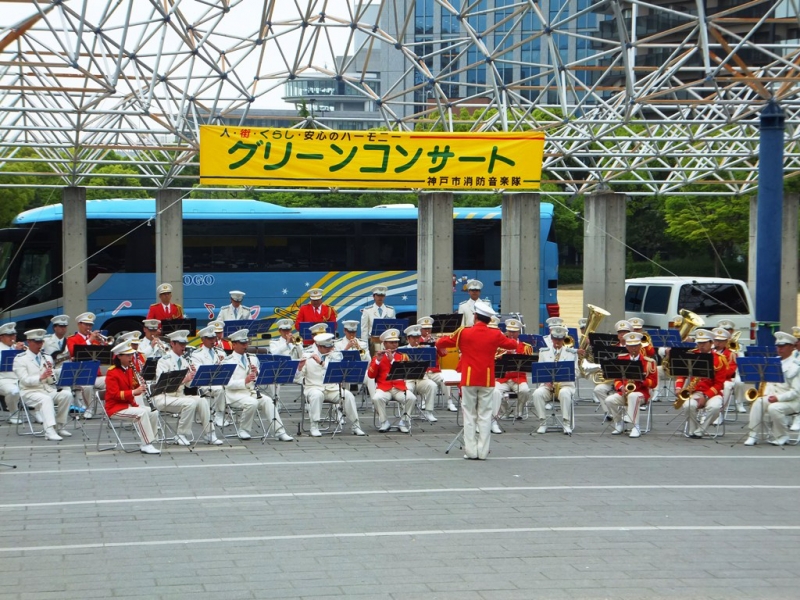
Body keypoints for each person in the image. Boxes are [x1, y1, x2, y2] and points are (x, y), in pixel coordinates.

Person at [436, 301, 517, 460]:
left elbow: (441, 342)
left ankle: (471, 451)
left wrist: (441, 349)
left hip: (468, 378)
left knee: (469, 416)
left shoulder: (463, 332)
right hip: (487, 379)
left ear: (475, 316)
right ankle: (482, 451)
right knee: (485, 416)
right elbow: (512, 344)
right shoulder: (495, 334)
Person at [223, 329, 293, 441]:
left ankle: (280, 432)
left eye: (246, 343)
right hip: (234, 394)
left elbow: (259, 378)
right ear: (234, 344)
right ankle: (244, 430)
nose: (245, 346)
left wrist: (257, 373)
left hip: (250, 392)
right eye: (242, 343)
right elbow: (227, 384)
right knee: (252, 402)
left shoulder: (252, 358)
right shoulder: (227, 361)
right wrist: (244, 381)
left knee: (268, 401)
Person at [155, 329, 221, 446]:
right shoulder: (163, 361)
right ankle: (181, 434)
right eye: (180, 344)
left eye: (184, 344)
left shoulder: (185, 360)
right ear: (173, 344)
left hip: (179, 396)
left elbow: (189, 385)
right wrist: (185, 379)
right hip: (164, 397)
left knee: (202, 401)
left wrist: (194, 377)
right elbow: (164, 385)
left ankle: (209, 433)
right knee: (189, 403)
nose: (183, 347)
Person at [295, 333, 365, 437]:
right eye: (327, 347)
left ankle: (356, 425)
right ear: (319, 346)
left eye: (331, 346)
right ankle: (314, 426)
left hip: (332, 389)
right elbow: (297, 378)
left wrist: (322, 363)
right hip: (314, 388)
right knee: (316, 395)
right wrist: (299, 368)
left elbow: (338, 370)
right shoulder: (307, 355)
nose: (331, 349)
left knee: (348, 395)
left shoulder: (335, 355)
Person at [13, 329, 75, 441]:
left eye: (41, 342)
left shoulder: (46, 357)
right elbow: (24, 380)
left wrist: (55, 372)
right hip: (29, 392)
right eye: (36, 342)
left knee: (67, 395)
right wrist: (41, 377)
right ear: (29, 342)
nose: (39, 345)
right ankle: (49, 431)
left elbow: (51, 380)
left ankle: (60, 426)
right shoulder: (20, 359)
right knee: (45, 399)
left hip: (47, 389)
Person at [104, 339, 160, 454]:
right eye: (128, 355)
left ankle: (151, 439)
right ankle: (146, 444)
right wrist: (134, 392)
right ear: (119, 356)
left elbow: (134, 387)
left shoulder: (129, 369)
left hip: (128, 405)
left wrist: (141, 387)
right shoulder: (112, 373)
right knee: (141, 413)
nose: (131, 358)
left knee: (153, 412)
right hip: (115, 408)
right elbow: (115, 395)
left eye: (131, 355)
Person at [744, 332, 800, 447]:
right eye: (778, 346)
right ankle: (753, 435)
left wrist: (778, 398)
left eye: (783, 346)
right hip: (773, 397)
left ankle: (782, 435)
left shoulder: (795, 366)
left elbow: (796, 391)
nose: (779, 349)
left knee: (774, 408)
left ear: (791, 347)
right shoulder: (772, 362)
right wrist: (765, 395)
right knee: (758, 403)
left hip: (792, 401)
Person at [674, 329, 727, 439]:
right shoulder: (691, 355)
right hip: (695, 391)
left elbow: (719, 384)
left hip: (712, 392)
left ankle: (702, 429)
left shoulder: (719, 359)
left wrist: (706, 396)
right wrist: (678, 387)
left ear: (711, 343)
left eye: (704, 343)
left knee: (715, 407)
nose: (701, 346)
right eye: (699, 343)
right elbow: (681, 374)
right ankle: (692, 430)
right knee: (688, 405)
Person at [605, 331, 658, 438]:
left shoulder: (649, 362)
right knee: (609, 400)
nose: (634, 349)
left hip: (642, 393)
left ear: (640, 346)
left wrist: (643, 381)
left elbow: (654, 383)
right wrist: (621, 387)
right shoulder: (621, 359)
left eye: (636, 346)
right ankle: (619, 423)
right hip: (625, 392)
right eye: (631, 346)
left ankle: (635, 426)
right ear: (627, 347)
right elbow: (617, 379)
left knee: (634, 396)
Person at [531, 325, 578, 434]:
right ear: (551, 339)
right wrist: (546, 381)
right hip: (548, 386)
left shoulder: (572, 353)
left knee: (565, 393)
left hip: (565, 385)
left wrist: (566, 376)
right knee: (537, 393)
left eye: (560, 339)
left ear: (563, 339)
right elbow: (540, 370)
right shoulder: (543, 352)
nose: (557, 341)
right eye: (555, 339)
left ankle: (566, 423)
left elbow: (577, 372)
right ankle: (542, 422)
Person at [368, 328, 416, 433]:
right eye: (391, 342)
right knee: (377, 398)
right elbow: (371, 375)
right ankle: (384, 422)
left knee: (411, 398)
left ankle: (403, 422)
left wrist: (392, 361)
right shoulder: (377, 357)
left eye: (396, 342)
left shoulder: (402, 356)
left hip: (399, 388)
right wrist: (377, 361)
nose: (395, 344)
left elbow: (406, 373)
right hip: (384, 388)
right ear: (384, 344)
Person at [492, 318, 534, 433]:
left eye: (514, 331)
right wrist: (504, 353)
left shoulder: (525, 346)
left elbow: (528, 361)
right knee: (495, 391)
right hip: (503, 378)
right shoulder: (499, 346)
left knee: (525, 391)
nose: (511, 334)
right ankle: (503, 411)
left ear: (519, 332)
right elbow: (494, 360)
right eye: (509, 331)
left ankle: (519, 411)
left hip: (518, 378)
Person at [66, 312, 108, 418]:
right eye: (86, 324)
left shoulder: (95, 339)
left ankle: (110, 407)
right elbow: (72, 352)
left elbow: (107, 355)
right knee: (87, 386)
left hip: (96, 375)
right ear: (79, 324)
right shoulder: (72, 339)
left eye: (90, 325)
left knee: (112, 381)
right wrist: (90, 340)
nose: (88, 327)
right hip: (80, 375)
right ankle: (89, 408)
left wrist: (103, 344)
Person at [190, 326, 229, 427]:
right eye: (210, 339)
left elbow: (228, 368)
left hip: (219, 381)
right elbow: (200, 373)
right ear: (203, 339)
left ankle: (221, 412)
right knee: (220, 389)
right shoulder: (196, 354)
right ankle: (219, 414)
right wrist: (217, 367)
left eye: (214, 338)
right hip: (204, 384)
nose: (213, 341)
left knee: (228, 386)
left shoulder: (220, 352)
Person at [592, 320, 631, 417]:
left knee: (628, 391)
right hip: (613, 379)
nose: (622, 334)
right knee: (598, 389)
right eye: (620, 332)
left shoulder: (634, 348)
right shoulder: (611, 348)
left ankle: (626, 413)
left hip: (628, 380)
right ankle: (610, 412)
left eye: (625, 332)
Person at [399, 325, 438, 423]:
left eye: (418, 337)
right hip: (407, 378)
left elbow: (432, 362)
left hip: (421, 378)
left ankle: (429, 412)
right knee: (407, 390)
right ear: (408, 338)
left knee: (432, 385)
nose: (416, 340)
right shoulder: (401, 350)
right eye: (414, 338)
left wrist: (426, 351)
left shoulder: (424, 349)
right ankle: (406, 414)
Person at [418, 316, 456, 412]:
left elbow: (444, 354)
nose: (427, 330)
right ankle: (423, 401)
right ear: (420, 329)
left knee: (446, 379)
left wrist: (438, 344)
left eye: (429, 328)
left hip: (434, 370)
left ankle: (449, 402)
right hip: (422, 370)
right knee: (424, 381)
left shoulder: (435, 340)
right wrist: (424, 343)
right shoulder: (417, 341)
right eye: (425, 328)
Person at [360, 286, 395, 352]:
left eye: (382, 295)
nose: (380, 297)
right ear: (374, 296)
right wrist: (364, 347)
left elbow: (393, 328)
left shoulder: (390, 310)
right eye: (378, 295)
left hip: (387, 342)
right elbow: (364, 330)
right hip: (374, 342)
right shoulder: (367, 310)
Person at [0, 322, 23, 419]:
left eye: (14, 335)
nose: (12, 337)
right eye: (9, 335)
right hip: (3, 379)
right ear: (1, 337)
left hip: (19, 379)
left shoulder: (18, 347)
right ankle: (13, 414)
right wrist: (16, 352)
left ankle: (38, 412)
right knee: (13, 391)